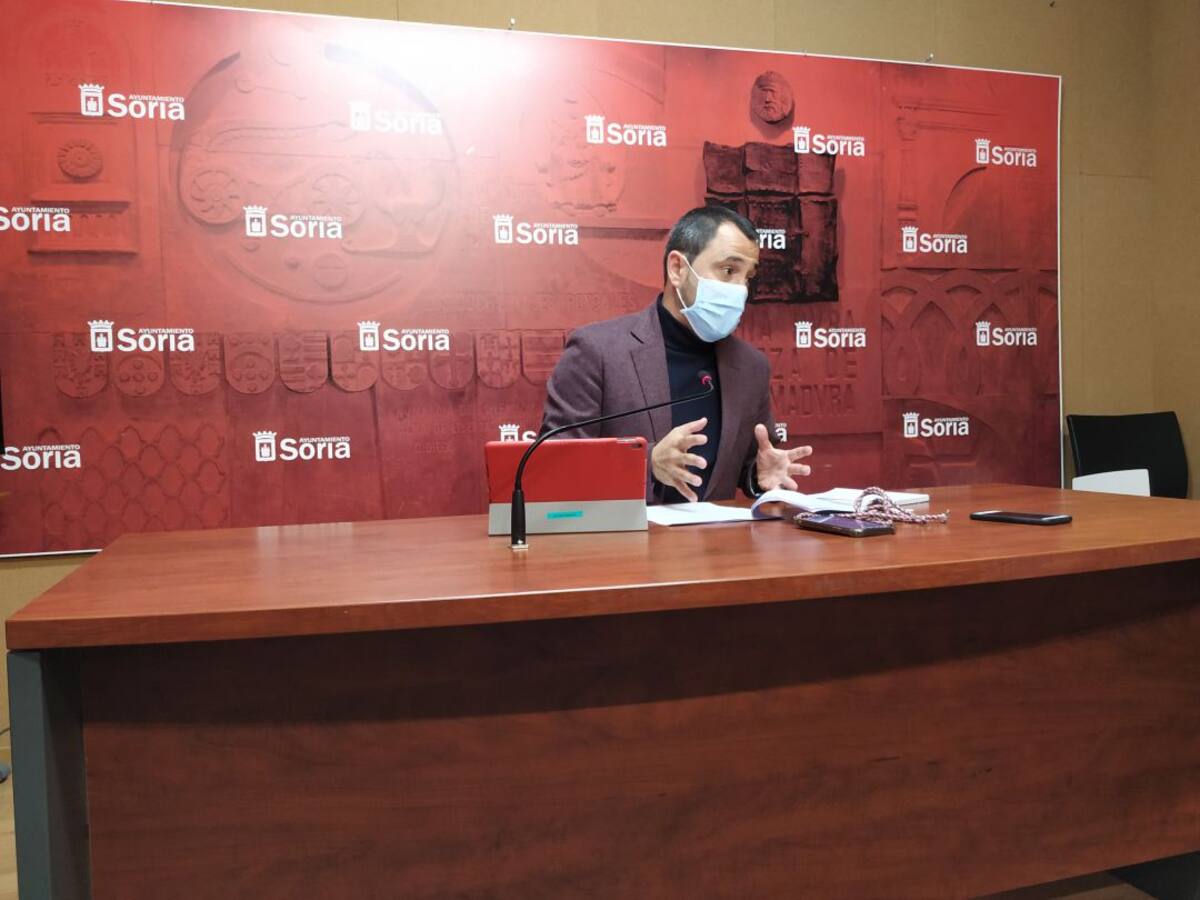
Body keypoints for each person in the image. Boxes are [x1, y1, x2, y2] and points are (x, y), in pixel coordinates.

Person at [540, 205, 814, 503]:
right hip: (625, 533)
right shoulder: (597, 351)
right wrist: (647, 463)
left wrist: (757, 475)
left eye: (747, 277)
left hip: (717, 534)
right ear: (677, 269)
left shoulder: (751, 366)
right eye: (728, 271)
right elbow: (554, 465)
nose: (741, 290)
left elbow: (745, 462)